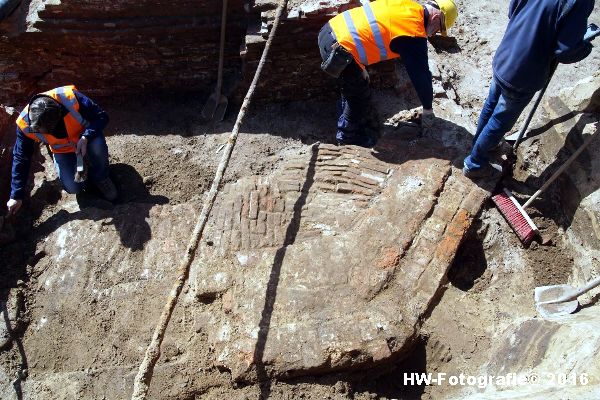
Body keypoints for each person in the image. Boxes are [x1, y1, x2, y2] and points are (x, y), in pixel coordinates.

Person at [463, 0, 596, 179]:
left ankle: (481, 143)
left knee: (492, 103)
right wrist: (585, 46)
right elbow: (565, 50)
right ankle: (475, 163)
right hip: (525, 71)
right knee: (500, 120)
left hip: (507, 53)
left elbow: (513, 9)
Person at [318, 0, 458, 147]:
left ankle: (346, 116)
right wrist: (428, 109)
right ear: (435, 18)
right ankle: (347, 137)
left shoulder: (407, 5)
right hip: (340, 52)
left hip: (329, 30)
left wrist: (360, 68)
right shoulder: (414, 33)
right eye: (438, 29)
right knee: (358, 96)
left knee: (352, 85)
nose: (435, 33)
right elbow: (421, 76)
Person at [5, 85, 117, 216]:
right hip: (63, 150)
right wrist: (16, 195)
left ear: (59, 114)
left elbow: (101, 116)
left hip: (87, 139)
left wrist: (86, 137)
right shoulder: (25, 124)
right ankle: (84, 179)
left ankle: (101, 177)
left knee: (97, 146)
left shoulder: (70, 98)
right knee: (73, 187)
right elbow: (21, 157)